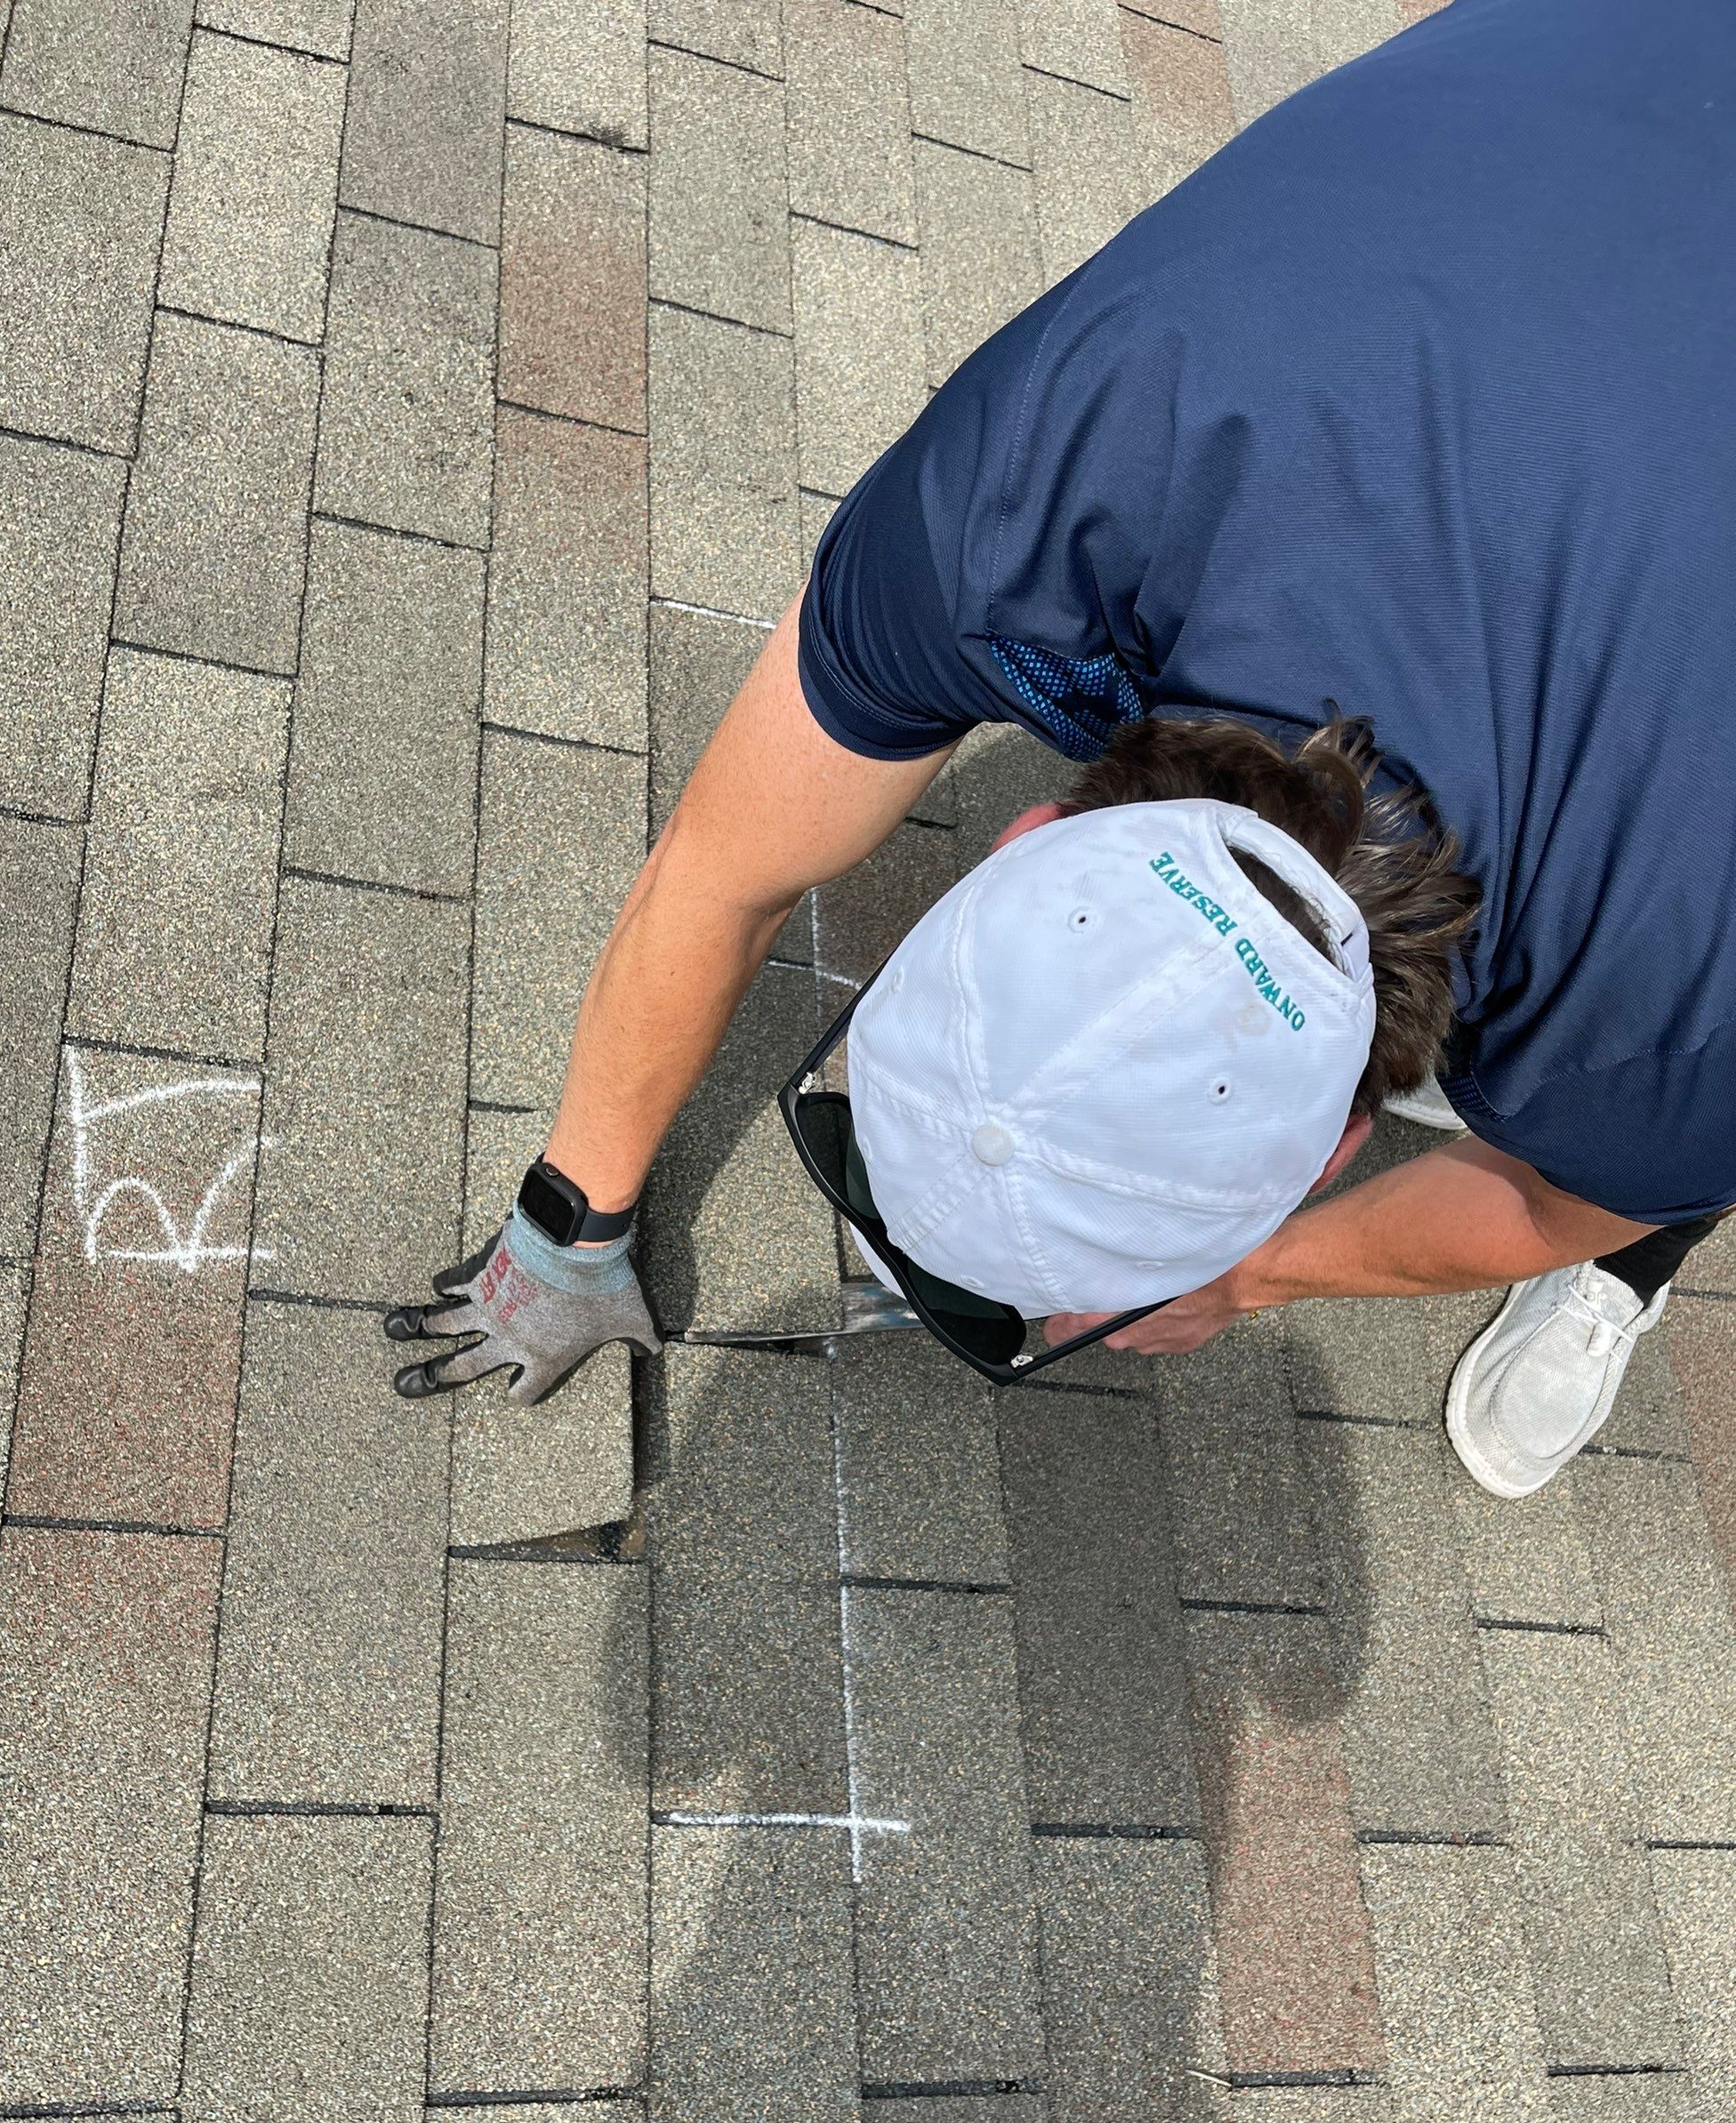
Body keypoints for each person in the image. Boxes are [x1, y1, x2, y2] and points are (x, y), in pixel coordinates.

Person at [386, 0, 1735, 1500]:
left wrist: (1254, 1279)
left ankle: (1654, 1273)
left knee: (1656, 1165)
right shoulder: (1008, 516)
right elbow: (721, 867)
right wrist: (568, 1220)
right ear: (1025, 843)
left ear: (1340, 1147)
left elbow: (1573, 1203)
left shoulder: (1676, 1033)